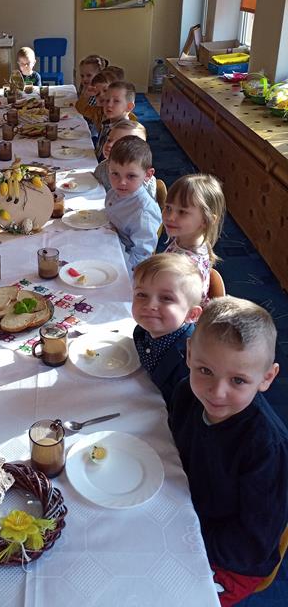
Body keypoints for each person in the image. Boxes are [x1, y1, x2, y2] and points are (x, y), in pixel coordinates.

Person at [169, 297, 288, 606]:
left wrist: (182, 534)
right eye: (205, 370)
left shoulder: (266, 448)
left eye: (238, 380)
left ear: (267, 378)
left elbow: (252, 546)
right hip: (187, 509)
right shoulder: (186, 392)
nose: (217, 392)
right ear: (189, 354)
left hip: (232, 561)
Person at [132, 252, 203, 404]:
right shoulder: (141, 331)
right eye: (142, 294)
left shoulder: (192, 362)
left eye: (166, 298)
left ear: (191, 314)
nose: (150, 305)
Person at [163, 174, 226, 305]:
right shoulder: (184, 239)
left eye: (182, 212)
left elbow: (177, 307)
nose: (170, 217)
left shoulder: (188, 266)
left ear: (206, 220)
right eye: (168, 208)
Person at [105, 136, 162, 270]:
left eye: (131, 176)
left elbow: (142, 256)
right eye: (115, 174)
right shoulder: (114, 193)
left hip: (126, 262)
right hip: (111, 242)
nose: (121, 182)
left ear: (148, 175)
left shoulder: (143, 213)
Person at [94, 119, 156, 198]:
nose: (110, 145)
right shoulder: (102, 167)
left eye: (119, 143)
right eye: (109, 140)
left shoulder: (143, 180)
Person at [95, 80, 136, 159]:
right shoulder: (106, 124)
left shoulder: (125, 133)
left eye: (116, 101)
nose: (109, 104)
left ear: (129, 107)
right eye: (107, 100)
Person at [75, 70, 117, 142]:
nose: (101, 95)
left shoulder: (122, 113)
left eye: (105, 90)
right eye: (97, 94)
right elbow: (80, 108)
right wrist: (86, 95)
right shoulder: (97, 111)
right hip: (101, 144)